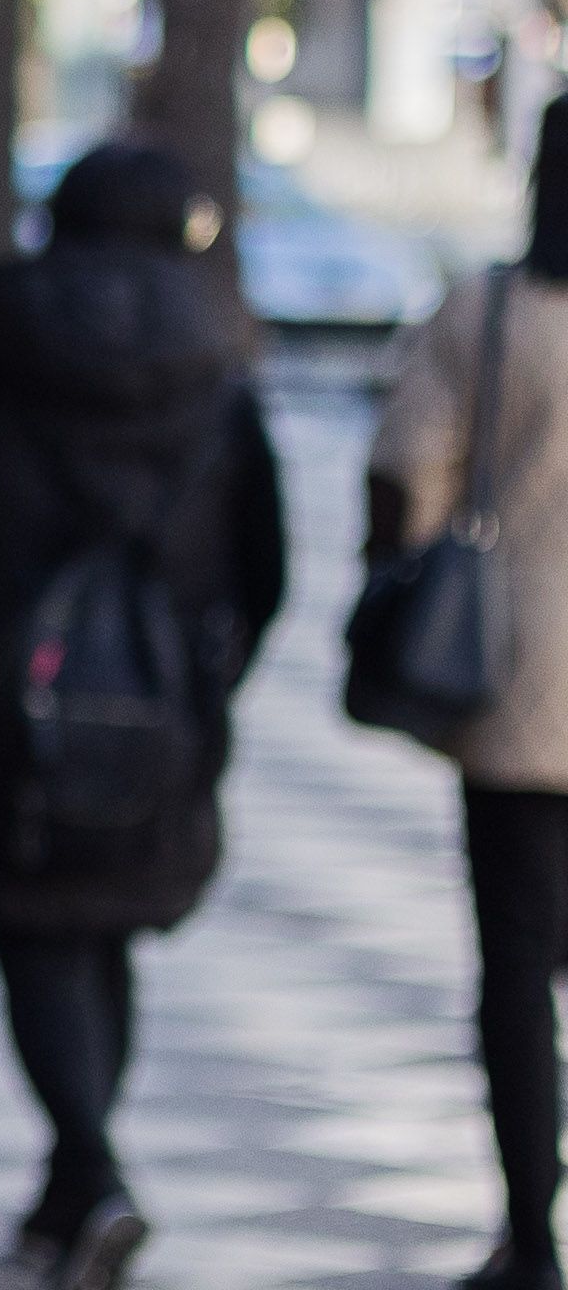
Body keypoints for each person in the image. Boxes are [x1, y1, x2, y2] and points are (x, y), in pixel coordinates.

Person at [0, 141, 286, 1290]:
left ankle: (90, 1170)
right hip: (161, 693)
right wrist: (210, 671)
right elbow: (266, 554)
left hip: (6, 680)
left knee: (40, 927)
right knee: (99, 929)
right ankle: (75, 1180)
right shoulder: (218, 350)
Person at [371, 93, 568, 1290]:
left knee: (516, 965)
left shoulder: (490, 314)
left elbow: (407, 473)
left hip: (518, 691)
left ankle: (530, 1235)